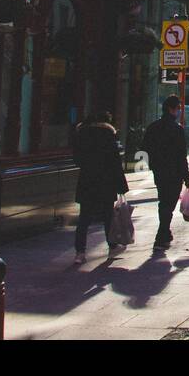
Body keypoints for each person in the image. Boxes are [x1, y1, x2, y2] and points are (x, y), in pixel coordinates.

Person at [72, 111, 128, 264]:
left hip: (87, 180)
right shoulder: (108, 134)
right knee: (108, 216)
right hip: (106, 181)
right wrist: (121, 185)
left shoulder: (82, 134)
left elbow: (76, 158)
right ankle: (112, 246)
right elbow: (115, 161)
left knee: (84, 217)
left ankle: (80, 252)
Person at [142, 95, 189, 251]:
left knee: (163, 201)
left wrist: (153, 166)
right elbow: (181, 156)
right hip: (175, 173)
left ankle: (165, 233)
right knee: (168, 204)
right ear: (171, 109)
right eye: (178, 108)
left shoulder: (153, 127)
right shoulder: (177, 130)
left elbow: (144, 150)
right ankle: (161, 235)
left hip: (160, 172)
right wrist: (187, 177)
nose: (179, 111)